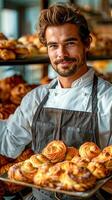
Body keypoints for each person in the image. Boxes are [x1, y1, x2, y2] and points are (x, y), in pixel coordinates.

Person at [0, 3, 112, 200]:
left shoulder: (108, 99)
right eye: (53, 46)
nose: (61, 54)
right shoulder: (36, 98)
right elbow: (9, 143)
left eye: (70, 43)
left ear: (87, 43)